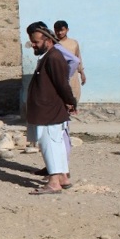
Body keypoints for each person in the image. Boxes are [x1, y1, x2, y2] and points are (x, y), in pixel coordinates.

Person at [26, 22, 77, 195]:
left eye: (36, 42)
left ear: (47, 41)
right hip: (47, 110)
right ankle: (63, 178)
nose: (33, 45)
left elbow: (62, 84)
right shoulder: (49, 56)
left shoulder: (54, 57)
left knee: (51, 144)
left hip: (49, 111)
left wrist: (71, 102)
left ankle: (54, 182)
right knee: (56, 144)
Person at [54, 20, 86, 102]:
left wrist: (82, 73)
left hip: (72, 75)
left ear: (67, 30)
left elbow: (78, 57)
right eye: (57, 30)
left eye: (62, 30)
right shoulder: (53, 43)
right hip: (58, 75)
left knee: (74, 95)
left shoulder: (74, 43)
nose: (60, 33)